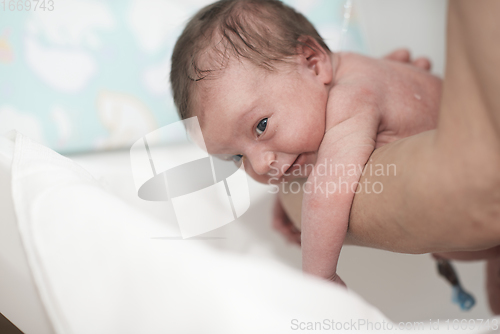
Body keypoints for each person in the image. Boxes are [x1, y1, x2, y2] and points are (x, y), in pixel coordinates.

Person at [170, 0, 445, 286]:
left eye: (261, 126)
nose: (261, 165)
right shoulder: (353, 74)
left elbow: (328, 189)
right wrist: (289, 186)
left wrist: (318, 278)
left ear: (313, 63)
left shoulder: (353, 96)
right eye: (236, 156)